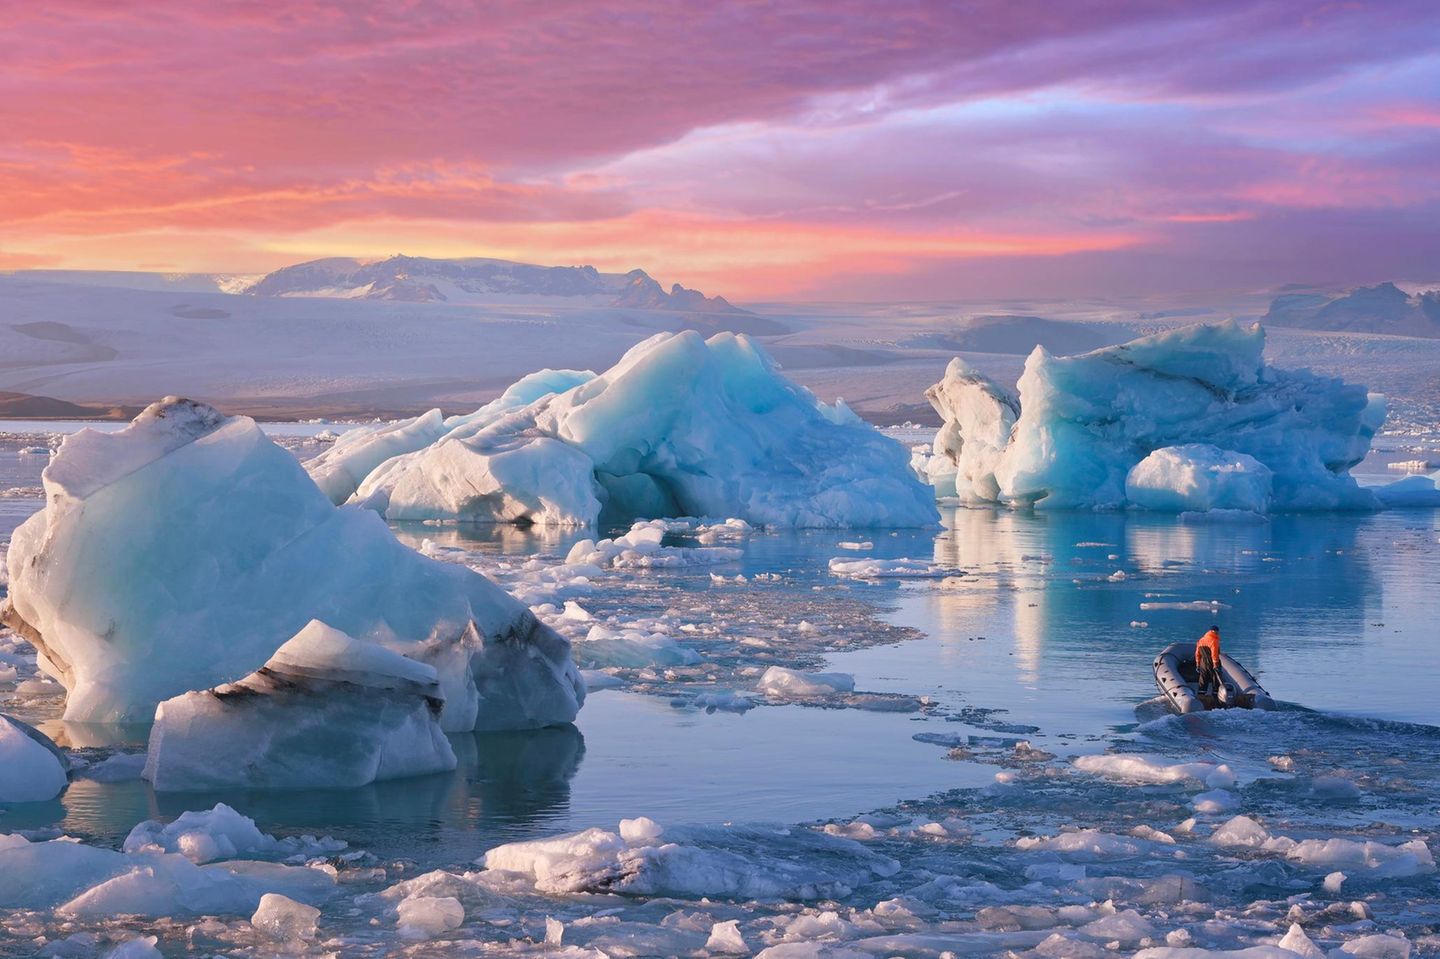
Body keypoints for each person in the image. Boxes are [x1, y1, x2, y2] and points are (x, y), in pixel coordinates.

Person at [1195, 625, 1222, 699]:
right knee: (1215, 680)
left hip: (1203, 663)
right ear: (1215, 631)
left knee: (1203, 680)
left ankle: (1201, 698)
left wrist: (1197, 664)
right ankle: (1216, 698)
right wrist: (1215, 664)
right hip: (1211, 663)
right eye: (1217, 632)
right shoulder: (1214, 640)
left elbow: (1197, 654)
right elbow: (1214, 654)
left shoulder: (1201, 640)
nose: (1218, 633)